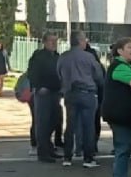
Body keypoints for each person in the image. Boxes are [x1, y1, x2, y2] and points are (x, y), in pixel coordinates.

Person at [57, 31, 104, 168]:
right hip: (87, 93)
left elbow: (58, 73)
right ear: (80, 41)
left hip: (70, 93)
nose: (86, 42)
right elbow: (99, 75)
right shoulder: (89, 57)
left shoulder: (63, 57)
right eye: (84, 40)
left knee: (70, 125)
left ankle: (67, 157)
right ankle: (88, 158)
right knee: (88, 126)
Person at [102, 38, 131, 177]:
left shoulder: (126, 66)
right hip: (120, 115)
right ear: (119, 51)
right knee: (123, 148)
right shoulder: (119, 67)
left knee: (125, 148)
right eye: (129, 47)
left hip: (125, 114)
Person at [28, 32, 63, 163]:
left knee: (54, 120)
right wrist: (39, 86)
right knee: (42, 122)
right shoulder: (39, 55)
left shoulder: (57, 56)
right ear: (44, 42)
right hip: (43, 93)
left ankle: (49, 148)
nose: (54, 43)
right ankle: (42, 152)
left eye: (55, 41)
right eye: (51, 41)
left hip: (56, 93)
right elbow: (32, 72)